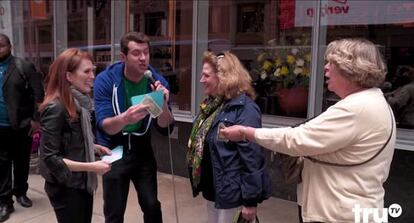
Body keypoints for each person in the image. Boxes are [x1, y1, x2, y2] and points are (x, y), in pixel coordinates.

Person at [221, 38, 396, 223]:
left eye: (332, 63)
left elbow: (296, 140)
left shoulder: (357, 108)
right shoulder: (369, 102)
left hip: (339, 214)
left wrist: (246, 133)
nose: (326, 67)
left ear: (350, 68)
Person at [94, 31, 174, 223]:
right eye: (136, 53)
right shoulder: (105, 80)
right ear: (123, 57)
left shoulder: (156, 82)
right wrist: (124, 119)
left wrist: (162, 105)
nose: (143, 58)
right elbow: (105, 126)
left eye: (146, 52)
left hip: (141, 147)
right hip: (113, 147)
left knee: (151, 204)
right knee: (114, 209)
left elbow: (165, 127)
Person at [187, 51, 271, 223]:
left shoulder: (245, 109)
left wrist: (250, 201)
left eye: (206, 75)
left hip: (233, 195)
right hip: (215, 191)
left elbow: (252, 159)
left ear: (224, 77)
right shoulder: (213, 106)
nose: (202, 80)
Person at [39, 48, 112, 223]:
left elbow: (69, 141)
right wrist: (92, 167)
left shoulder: (79, 103)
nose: (93, 75)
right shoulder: (56, 107)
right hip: (65, 187)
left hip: (80, 183)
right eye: (86, 71)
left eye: (93, 70)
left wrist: (93, 147)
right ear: (69, 76)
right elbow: (50, 157)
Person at [0, 33, 44, 222]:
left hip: (21, 125)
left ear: (9, 46)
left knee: (21, 161)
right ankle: (4, 201)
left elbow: (38, 94)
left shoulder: (23, 67)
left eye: (1, 45)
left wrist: (35, 120)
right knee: (1, 165)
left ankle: (20, 192)